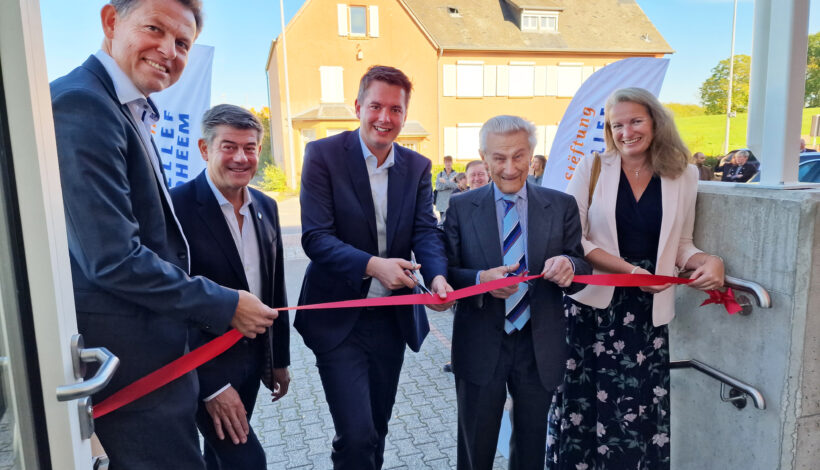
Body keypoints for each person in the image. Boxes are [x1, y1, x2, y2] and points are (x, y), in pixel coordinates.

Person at [49, 1, 278, 467]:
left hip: (162, 372)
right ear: (111, 21)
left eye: (182, 44)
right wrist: (227, 303)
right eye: (154, 29)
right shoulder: (83, 105)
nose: (168, 51)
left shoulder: (127, 109)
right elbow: (113, 258)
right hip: (133, 376)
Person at [546, 88, 725, 469]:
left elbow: (683, 245)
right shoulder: (593, 165)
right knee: (584, 408)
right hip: (594, 308)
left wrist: (709, 261)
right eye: (617, 124)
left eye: (635, 121)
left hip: (646, 314)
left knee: (638, 413)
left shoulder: (684, 174)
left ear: (656, 120)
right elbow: (573, 238)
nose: (627, 131)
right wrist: (630, 271)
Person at [297, 65, 455, 470]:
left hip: (391, 319)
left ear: (405, 113)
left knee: (377, 428)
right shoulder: (323, 155)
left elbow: (426, 230)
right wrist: (373, 266)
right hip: (338, 317)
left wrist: (436, 277)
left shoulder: (418, 167)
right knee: (356, 433)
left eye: (395, 109)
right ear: (358, 107)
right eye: (376, 106)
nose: (385, 118)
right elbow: (316, 238)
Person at [444, 115, 590, 470]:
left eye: (519, 156)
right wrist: (481, 280)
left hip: (538, 346)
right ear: (483, 155)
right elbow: (445, 273)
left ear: (532, 155)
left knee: (530, 451)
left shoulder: (560, 205)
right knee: (475, 450)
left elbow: (582, 269)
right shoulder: (462, 207)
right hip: (479, 344)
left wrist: (570, 268)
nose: (510, 168)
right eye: (498, 158)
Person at [170, 105, 290, 469]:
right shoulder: (176, 208)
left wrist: (279, 359)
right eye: (229, 146)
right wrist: (212, 386)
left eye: (250, 147)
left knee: (221, 459)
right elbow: (171, 302)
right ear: (205, 149)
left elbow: (275, 289)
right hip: (203, 369)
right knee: (248, 461)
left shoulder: (266, 207)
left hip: (252, 363)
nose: (241, 158)